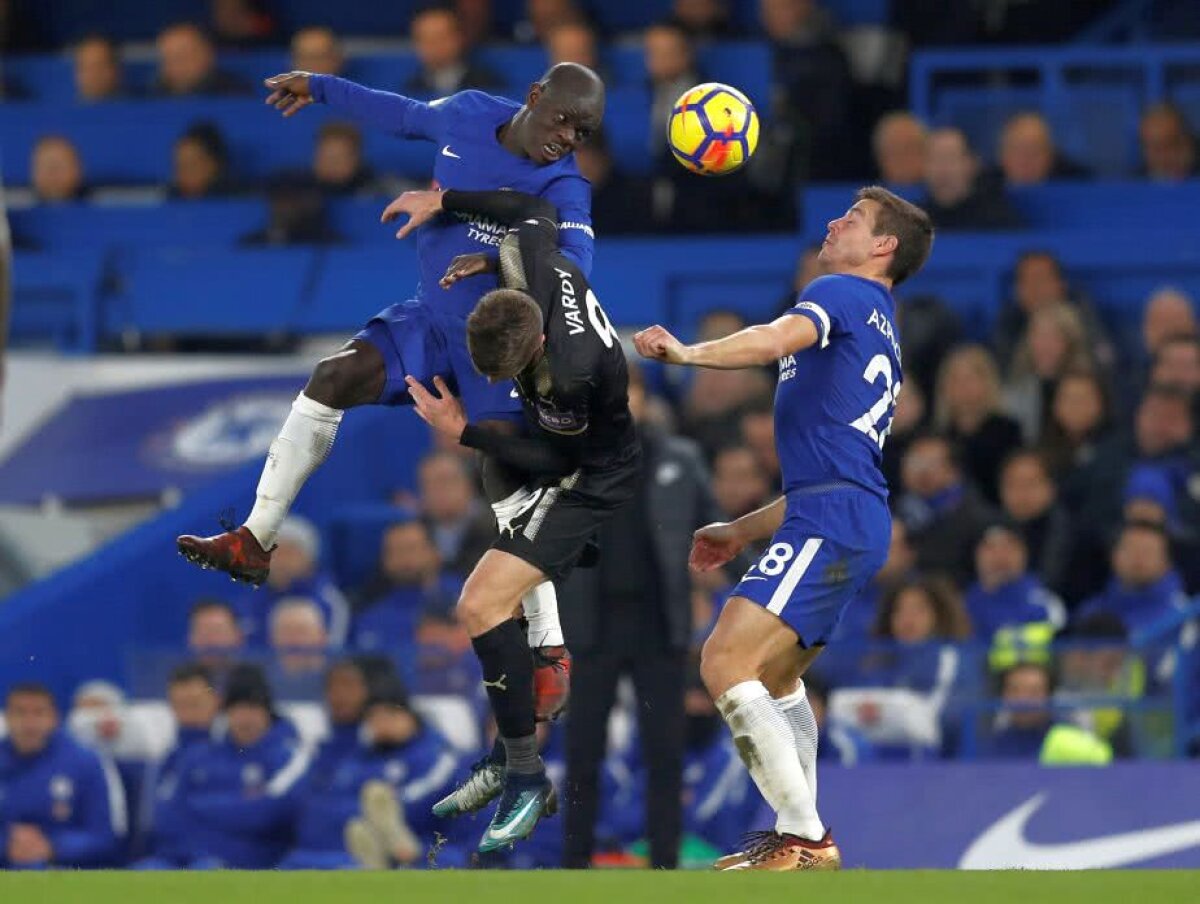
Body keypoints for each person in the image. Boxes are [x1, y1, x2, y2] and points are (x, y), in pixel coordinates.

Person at [177, 63, 603, 722]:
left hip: (499, 351)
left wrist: (495, 259)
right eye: (563, 119)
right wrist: (320, 86)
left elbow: (573, 272)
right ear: (534, 95)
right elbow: (397, 112)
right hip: (430, 323)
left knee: (511, 486)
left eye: (584, 130)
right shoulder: (466, 114)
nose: (568, 137)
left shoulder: (567, 187)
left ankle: (549, 649)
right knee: (331, 378)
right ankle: (256, 539)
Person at [633, 186, 934, 869]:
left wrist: (686, 355)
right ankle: (801, 839)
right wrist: (743, 530)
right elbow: (833, 467)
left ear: (883, 247)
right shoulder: (879, 321)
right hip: (842, 511)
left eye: (853, 218)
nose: (834, 222)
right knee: (773, 679)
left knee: (723, 660)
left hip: (832, 519)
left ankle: (805, 835)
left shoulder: (843, 294)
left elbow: (770, 340)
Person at [380, 185, 640, 852]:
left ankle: (525, 774)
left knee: (478, 604)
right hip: (553, 448)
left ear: (538, 343)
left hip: (589, 474)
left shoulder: (569, 376)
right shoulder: (529, 256)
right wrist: (447, 200)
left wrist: (462, 430)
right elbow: (536, 211)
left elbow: (555, 459)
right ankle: (542, 667)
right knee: (495, 461)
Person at [560, 362, 725, 870]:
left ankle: (665, 866)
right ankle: (574, 864)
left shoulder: (680, 458)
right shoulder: (570, 465)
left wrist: (720, 586)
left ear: (643, 399)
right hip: (594, 625)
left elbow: (717, 530)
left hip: (659, 625)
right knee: (583, 754)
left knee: (664, 754)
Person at [282, 675, 467, 870]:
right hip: (352, 840)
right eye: (374, 717)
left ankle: (396, 845)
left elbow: (430, 800)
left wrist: (388, 805)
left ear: (410, 716)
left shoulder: (437, 755)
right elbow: (329, 801)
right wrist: (362, 810)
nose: (382, 723)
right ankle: (382, 854)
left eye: (391, 714)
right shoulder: (359, 759)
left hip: (426, 837)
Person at [158, 664, 307, 869]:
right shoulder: (198, 756)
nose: (245, 718)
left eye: (253, 708)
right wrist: (242, 803)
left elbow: (267, 814)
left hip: (256, 864)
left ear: (267, 712)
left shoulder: (289, 757)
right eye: (237, 709)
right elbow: (168, 814)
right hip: (189, 857)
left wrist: (200, 806)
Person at [0, 682, 127, 868]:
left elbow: (104, 837)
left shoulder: (85, 763)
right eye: (20, 712)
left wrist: (53, 846)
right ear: (7, 717)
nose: (29, 722)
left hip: (63, 870)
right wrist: (6, 844)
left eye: (38, 713)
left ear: (54, 718)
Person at [136, 663, 220, 869]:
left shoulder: (232, 752)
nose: (187, 713)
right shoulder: (164, 760)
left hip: (215, 856)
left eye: (194, 703)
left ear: (216, 701)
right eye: (179, 704)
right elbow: (150, 823)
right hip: (165, 858)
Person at [349, 520, 462, 665]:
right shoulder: (369, 617)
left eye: (411, 549)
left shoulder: (468, 599)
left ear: (435, 552)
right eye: (394, 551)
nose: (404, 559)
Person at [895, 433, 997, 585]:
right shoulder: (891, 510)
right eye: (916, 462)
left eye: (932, 464)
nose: (923, 471)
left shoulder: (978, 518)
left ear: (954, 470)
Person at [933, 345, 1022, 504]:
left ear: (987, 383)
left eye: (969, 379)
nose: (962, 387)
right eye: (955, 380)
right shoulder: (938, 436)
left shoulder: (1008, 432)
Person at [1004, 302, 1097, 444]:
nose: (1044, 345)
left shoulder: (1085, 385)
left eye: (1053, 337)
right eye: (1038, 336)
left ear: (1070, 342)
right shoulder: (1017, 388)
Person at [966, 522, 1065, 642]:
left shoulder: (1044, 604)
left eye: (1008, 547)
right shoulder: (961, 604)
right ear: (976, 554)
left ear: (1023, 553)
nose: (999, 556)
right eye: (990, 547)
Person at [997, 449, 1076, 597]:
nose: (1021, 493)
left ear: (1051, 488)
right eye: (1012, 484)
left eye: (1030, 484)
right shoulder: (989, 530)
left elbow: (1053, 584)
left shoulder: (1069, 534)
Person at [922, 127, 1022, 230]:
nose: (942, 170)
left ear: (972, 165)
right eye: (935, 159)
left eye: (951, 159)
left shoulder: (1000, 222)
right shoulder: (911, 223)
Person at [416, 450, 495, 578]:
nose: (440, 491)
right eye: (430, 484)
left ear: (468, 485)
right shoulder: (415, 531)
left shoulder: (498, 528)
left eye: (446, 481)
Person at [404, 5, 499, 97]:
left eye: (440, 37)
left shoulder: (487, 85)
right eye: (424, 39)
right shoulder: (410, 89)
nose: (432, 45)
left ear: (459, 38)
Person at [152, 22, 249, 96]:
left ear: (206, 56)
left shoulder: (233, 92)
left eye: (181, 57)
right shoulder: (153, 94)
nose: (174, 66)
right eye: (167, 59)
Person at [997, 112, 1089, 186]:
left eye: (1035, 152)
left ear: (1050, 156)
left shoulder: (1078, 184)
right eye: (1017, 151)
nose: (1026, 160)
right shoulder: (986, 190)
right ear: (1003, 156)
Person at [270, 597, 332, 677]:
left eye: (301, 631)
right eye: (286, 631)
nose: (294, 640)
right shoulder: (261, 677)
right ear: (272, 638)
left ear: (321, 637)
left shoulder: (337, 678)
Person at [170, 123, 233, 199]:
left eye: (191, 166)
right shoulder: (166, 198)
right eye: (178, 166)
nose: (182, 174)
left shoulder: (241, 199)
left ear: (214, 165)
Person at [1139, 102, 1198, 182]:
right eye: (1157, 149)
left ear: (1187, 143)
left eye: (1172, 144)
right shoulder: (1134, 185)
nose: (1165, 157)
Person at [872, 111, 927, 187]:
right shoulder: (869, 197)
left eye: (908, 149)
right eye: (893, 151)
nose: (902, 158)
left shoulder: (943, 196)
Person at [187, 598, 245, 669]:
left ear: (238, 637)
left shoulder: (256, 676)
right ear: (190, 638)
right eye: (204, 632)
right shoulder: (177, 677)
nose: (211, 641)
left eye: (218, 631)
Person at [30, 136, 87, 204]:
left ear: (77, 170)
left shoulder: (98, 204)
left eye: (59, 166)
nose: (52, 173)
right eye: (45, 167)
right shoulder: (19, 207)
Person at [73, 34, 124, 101]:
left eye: (100, 66)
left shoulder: (133, 108)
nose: (94, 75)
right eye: (87, 68)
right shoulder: (63, 109)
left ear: (116, 70)